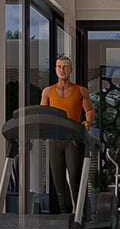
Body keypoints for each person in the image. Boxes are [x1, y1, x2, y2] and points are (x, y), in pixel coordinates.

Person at [39, 55, 95, 215]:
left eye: (65, 67)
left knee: (75, 176)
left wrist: (88, 122)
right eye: (59, 67)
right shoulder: (47, 91)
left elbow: (90, 110)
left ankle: (81, 212)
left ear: (71, 70)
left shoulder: (81, 90)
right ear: (55, 70)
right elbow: (43, 113)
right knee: (58, 178)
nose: (62, 70)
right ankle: (65, 211)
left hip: (73, 138)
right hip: (55, 138)